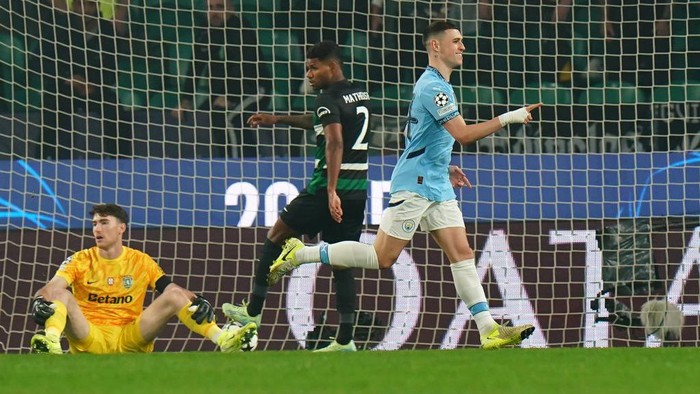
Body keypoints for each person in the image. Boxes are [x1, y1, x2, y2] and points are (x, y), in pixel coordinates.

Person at [269, 21, 542, 349]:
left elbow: (413, 135)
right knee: (383, 257)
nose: (463, 47)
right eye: (456, 41)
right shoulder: (433, 87)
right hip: (416, 184)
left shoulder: (436, 85)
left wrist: (444, 164)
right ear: (436, 47)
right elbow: (464, 135)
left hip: (436, 180)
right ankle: (302, 253)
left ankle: (488, 328)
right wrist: (510, 117)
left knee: (462, 252)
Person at [222, 41, 371, 352]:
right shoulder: (359, 93)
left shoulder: (326, 98)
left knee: (276, 235)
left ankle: (252, 313)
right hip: (358, 190)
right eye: (308, 68)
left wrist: (330, 190)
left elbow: (334, 141)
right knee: (342, 262)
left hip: (324, 190)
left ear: (332, 67)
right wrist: (278, 119)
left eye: (314, 67)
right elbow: (321, 122)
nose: (310, 74)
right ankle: (345, 340)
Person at [29, 203, 256, 354]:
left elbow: (170, 288)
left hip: (131, 337)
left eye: (104, 222)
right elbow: (52, 288)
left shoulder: (140, 260)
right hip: (90, 336)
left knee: (176, 295)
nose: (97, 229)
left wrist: (196, 299)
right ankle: (50, 342)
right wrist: (40, 300)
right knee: (61, 294)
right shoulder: (80, 260)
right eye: (94, 223)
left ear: (121, 229)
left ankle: (223, 339)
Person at [171, 0, 271, 158]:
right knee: (212, 114)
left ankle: (242, 163)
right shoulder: (204, 33)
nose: (214, 12)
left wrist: (231, 96)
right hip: (221, 92)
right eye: (210, 8)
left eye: (219, 7)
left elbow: (246, 69)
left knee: (231, 118)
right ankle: (225, 160)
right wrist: (186, 100)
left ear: (231, 9)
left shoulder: (242, 30)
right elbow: (195, 67)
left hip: (254, 90)